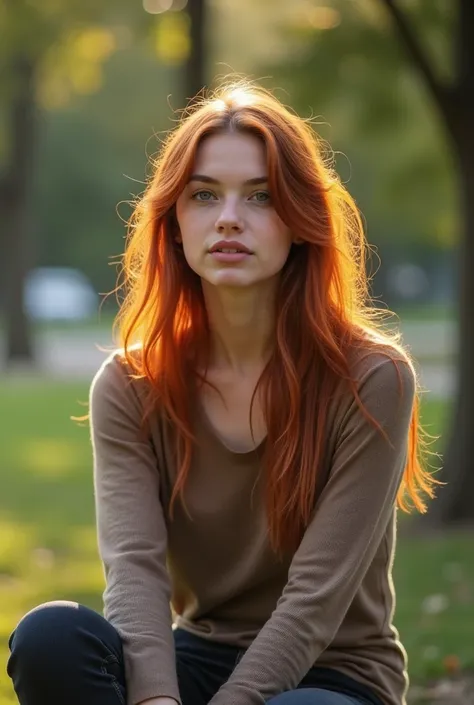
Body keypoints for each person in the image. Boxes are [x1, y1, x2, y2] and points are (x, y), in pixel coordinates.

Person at [7, 81, 437, 705]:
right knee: (50, 637)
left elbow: (314, 602)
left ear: (300, 221)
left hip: (333, 673)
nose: (229, 217)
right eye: (204, 194)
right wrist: (156, 699)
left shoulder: (373, 378)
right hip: (198, 658)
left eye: (261, 196)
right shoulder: (130, 386)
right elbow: (134, 572)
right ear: (175, 223)